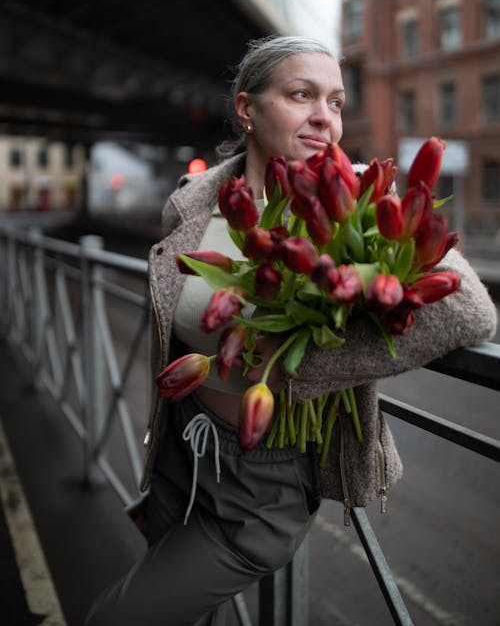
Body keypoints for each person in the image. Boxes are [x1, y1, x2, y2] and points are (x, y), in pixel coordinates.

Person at [85, 36, 497, 626]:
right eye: (302, 94)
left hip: (262, 489)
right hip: (181, 452)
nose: (324, 116)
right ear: (247, 108)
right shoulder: (197, 200)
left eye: (334, 101)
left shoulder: (363, 193)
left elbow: (471, 313)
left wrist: (292, 362)